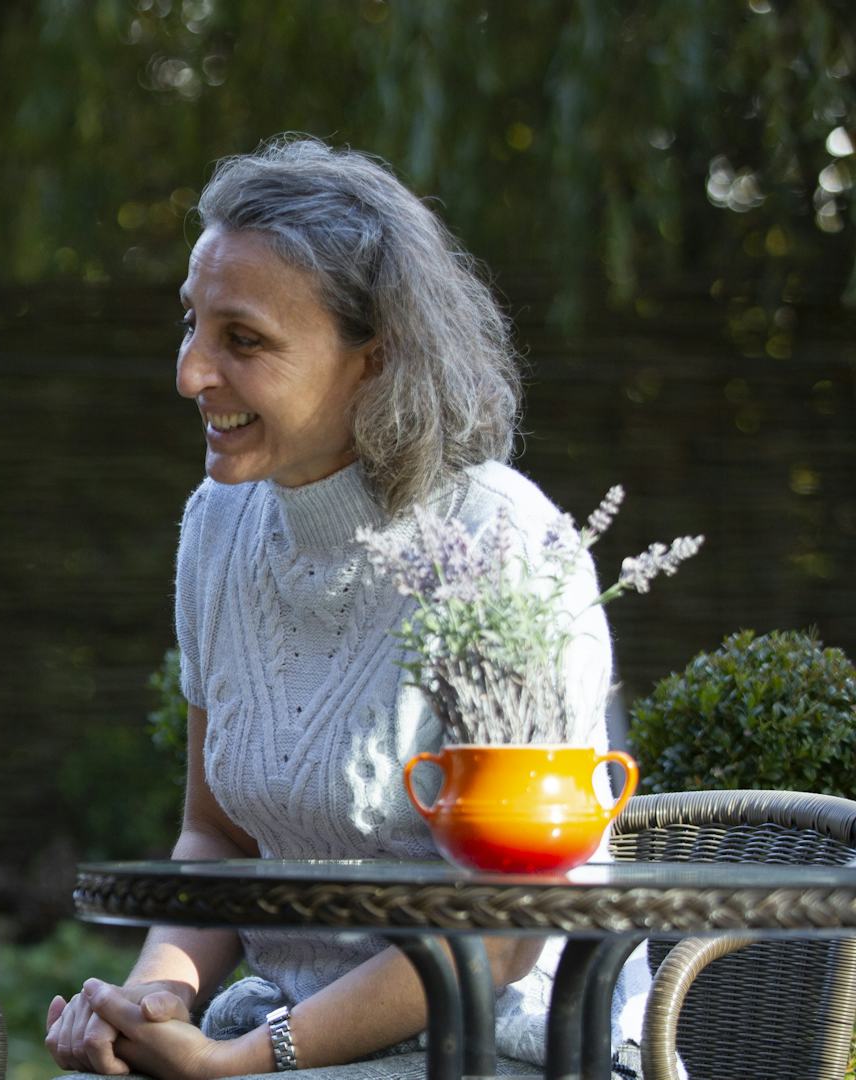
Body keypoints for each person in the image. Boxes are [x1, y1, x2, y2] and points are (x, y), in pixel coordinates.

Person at [44, 138, 648, 1079]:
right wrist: (159, 993)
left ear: (378, 359)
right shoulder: (219, 526)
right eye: (192, 325)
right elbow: (219, 835)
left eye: (243, 341)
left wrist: (246, 1059)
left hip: (504, 1041)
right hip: (289, 1030)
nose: (191, 372)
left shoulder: (501, 547)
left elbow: (502, 933)